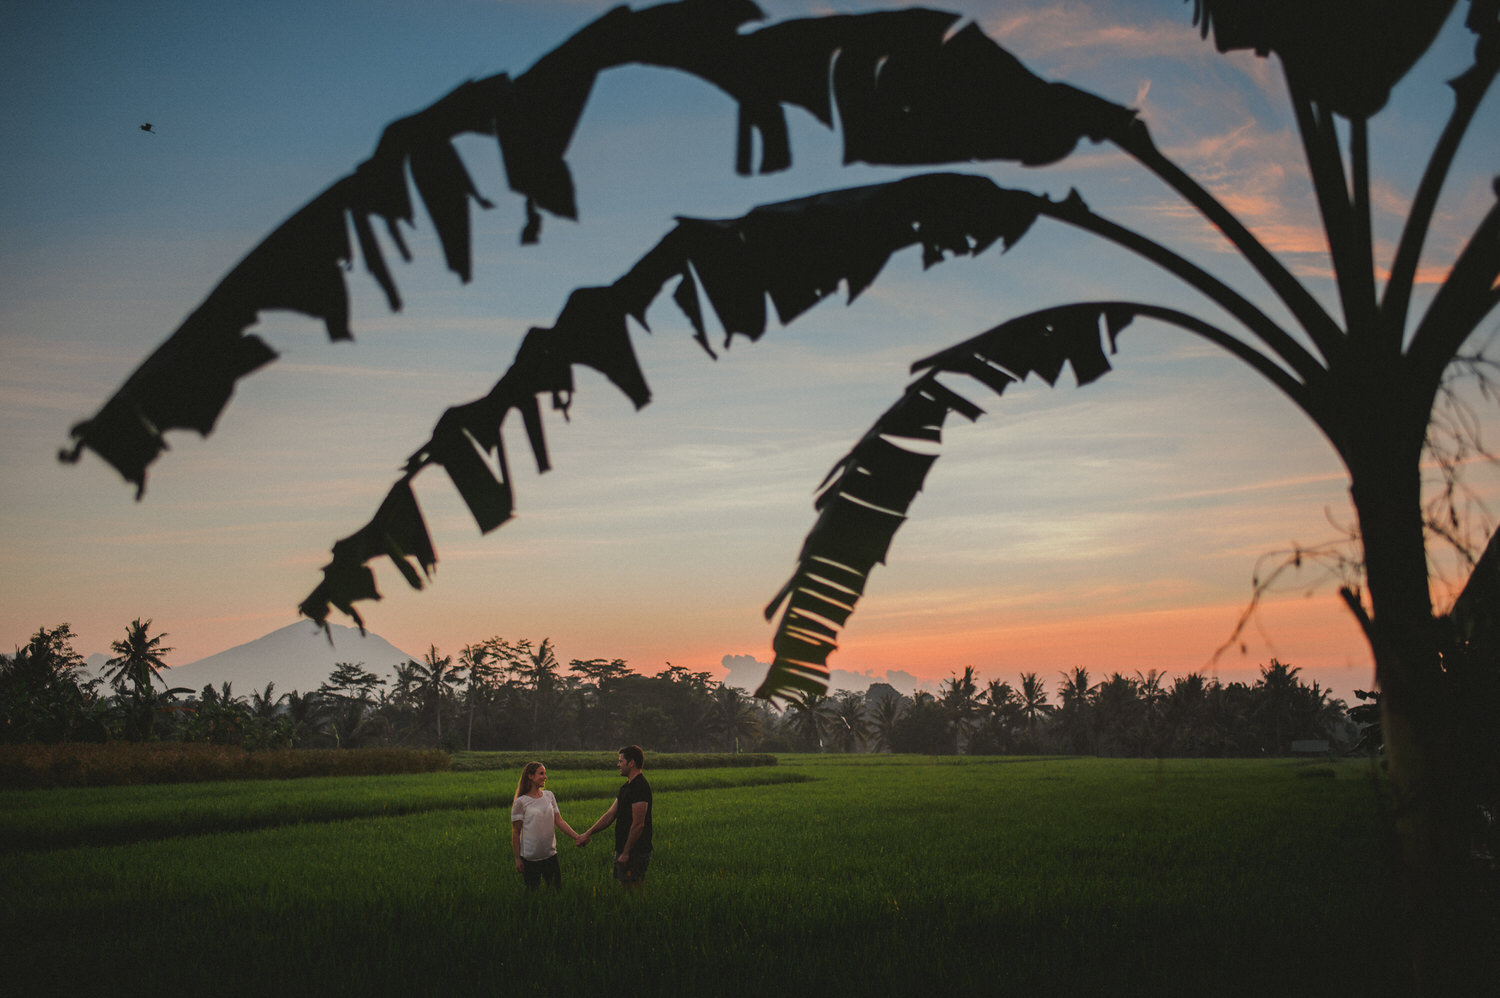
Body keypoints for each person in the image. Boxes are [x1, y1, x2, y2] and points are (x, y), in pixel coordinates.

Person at [577, 744, 653, 889]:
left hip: (635, 850)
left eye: (621, 761)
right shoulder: (626, 787)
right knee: (626, 888)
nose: (618, 765)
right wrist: (588, 833)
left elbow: (639, 824)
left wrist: (626, 852)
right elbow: (610, 814)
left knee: (633, 891)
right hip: (624, 847)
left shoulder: (640, 787)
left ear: (631, 763)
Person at [510, 761, 582, 890]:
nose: (545, 776)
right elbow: (516, 832)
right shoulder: (521, 802)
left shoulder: (549, 795)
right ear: (530, 776)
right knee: (532, 893)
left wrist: (577, 837)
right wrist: (517, 859)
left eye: (545, 773)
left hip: (550, 854)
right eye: (541, 773)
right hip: (530, 858)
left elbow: (559, 821)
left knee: (556, 891)